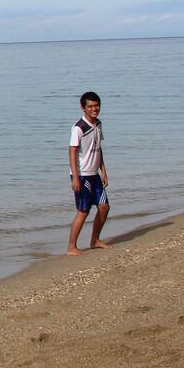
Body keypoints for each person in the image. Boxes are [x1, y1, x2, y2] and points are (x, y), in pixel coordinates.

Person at [66, 91, 111, 255]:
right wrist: (75, 178)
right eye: (90, 106)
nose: (94, 109)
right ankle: (71, 247)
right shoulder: (79, 128)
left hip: (95, 175)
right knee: (83, 211)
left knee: (104, 207)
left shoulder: (98, 124)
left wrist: (103, 170)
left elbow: (98, 149)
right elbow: (72, 152)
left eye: (96, 105)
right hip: (82, 175)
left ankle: (95, 240)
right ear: (83, 108)